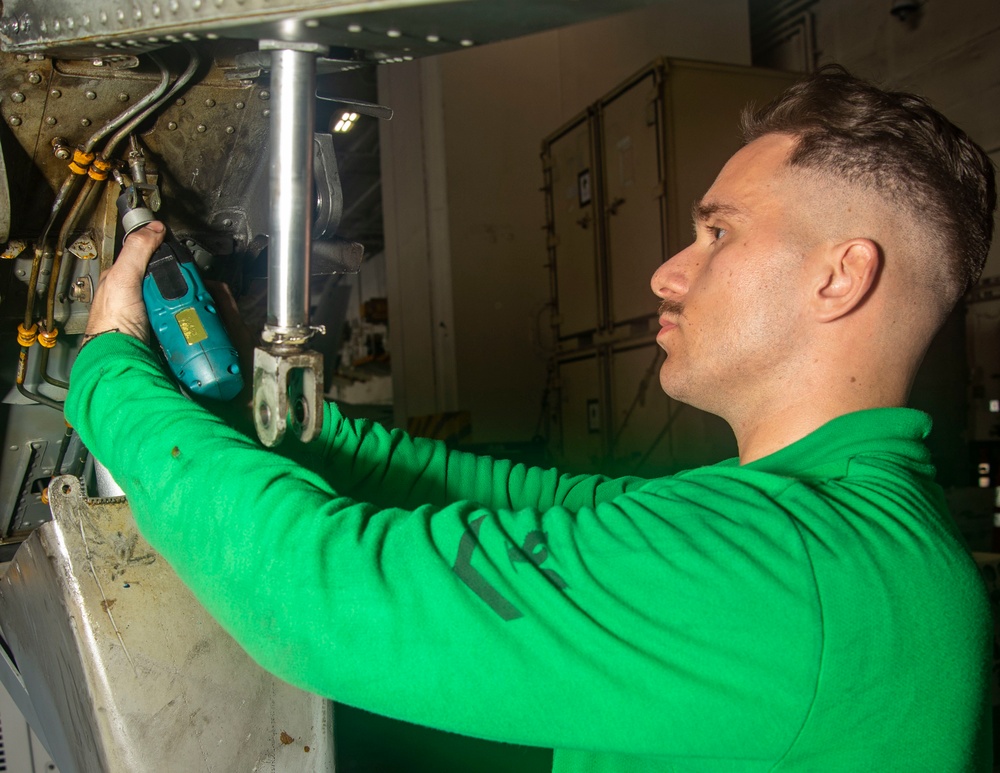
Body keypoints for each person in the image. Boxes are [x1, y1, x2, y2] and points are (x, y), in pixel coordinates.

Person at [67, 65, 996, 771]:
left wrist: (109, 372)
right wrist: (278, 421)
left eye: (718, 233)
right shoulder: (842, 527)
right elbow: (534, 500)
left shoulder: (787, 572)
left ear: (841, 275)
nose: (668, 273)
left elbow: (320, 595)